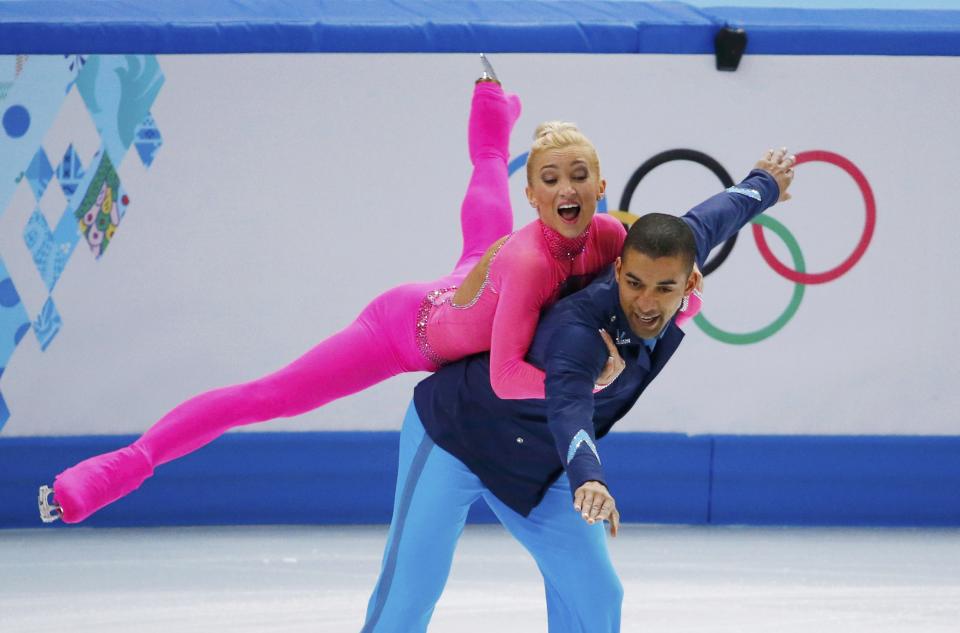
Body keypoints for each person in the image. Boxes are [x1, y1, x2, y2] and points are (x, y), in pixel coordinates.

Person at [42, 58, 702, 524]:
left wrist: (688, 292)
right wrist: (584, 384)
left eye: (579, 176)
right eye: (549, 179)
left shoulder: (616, 237)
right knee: (269, 395)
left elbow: (663, 276)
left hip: (477, 283)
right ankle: (122, 466)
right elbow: (505, 375)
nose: (566, 190)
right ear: (532, 192)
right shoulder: (532, 260)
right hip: (406, 327)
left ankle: (491, 118)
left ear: (600, 184)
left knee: (481, 222)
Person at [359, 148, 796, 633]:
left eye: (663, 288)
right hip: (455, 437)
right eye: (633, 283)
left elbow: (718, 214)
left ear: (690, 281)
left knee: (596, 595)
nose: (645, 302)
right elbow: (570, 407)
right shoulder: (582, 331)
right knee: (411, 591)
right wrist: (588, 475)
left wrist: (766, 183)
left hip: (539, 464)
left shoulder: (675, 248)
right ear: (617, 270)